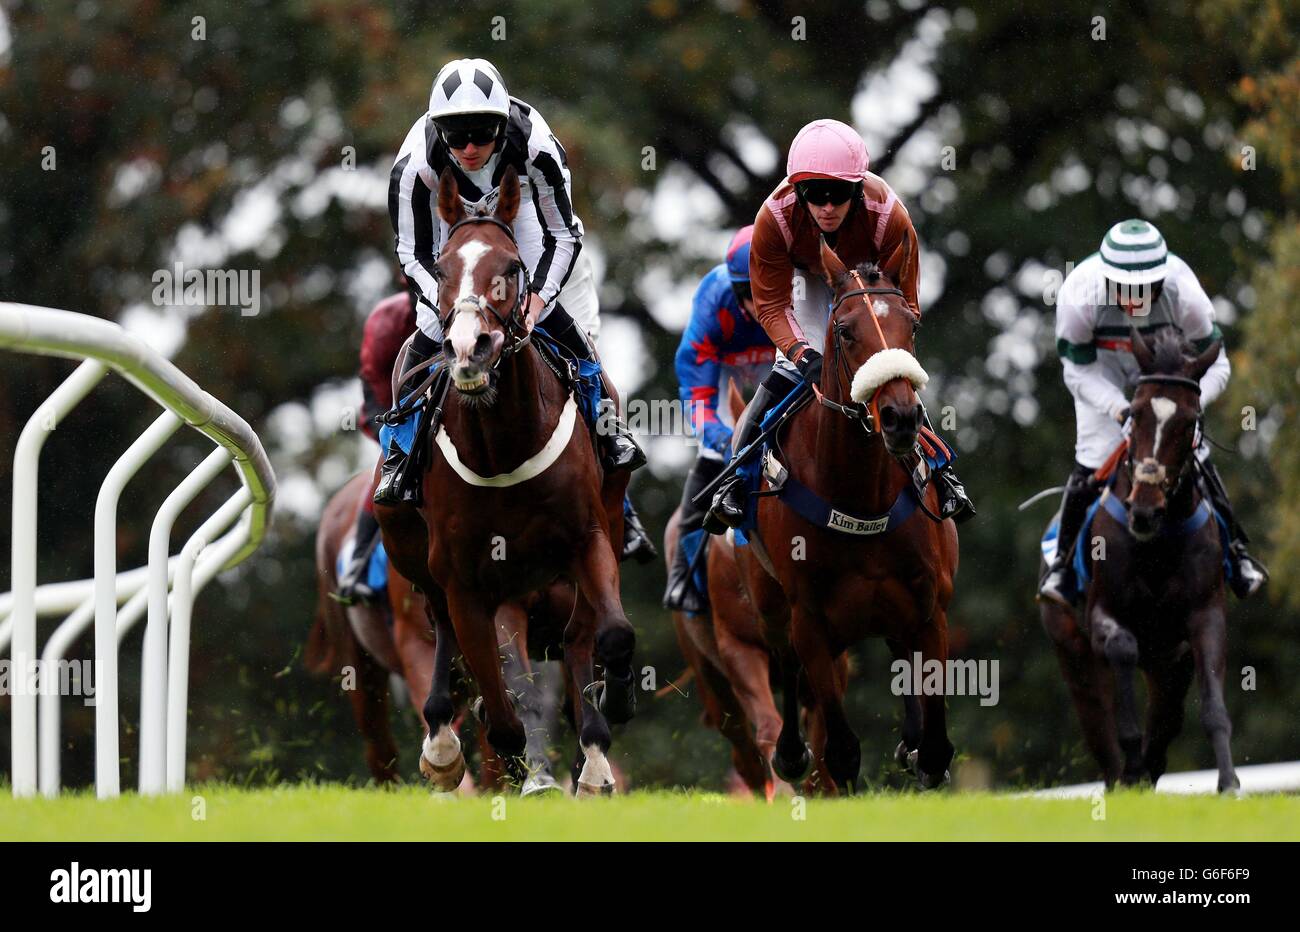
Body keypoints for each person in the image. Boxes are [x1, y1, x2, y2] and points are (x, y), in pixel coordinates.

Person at [378, 57, 654, 561]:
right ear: (437, 131)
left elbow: (562, 235)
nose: (467, 148)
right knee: (419, 350)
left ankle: (611, 447)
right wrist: (453, 310)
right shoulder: (414, 167)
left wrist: (536, 299)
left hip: (526, 222)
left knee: (579, 345)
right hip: (450, 230)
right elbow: (412, 254)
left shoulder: (538, 147)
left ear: (502, 126)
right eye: (455, 135)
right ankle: (400, 456)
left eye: (481, 133)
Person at [707, 118, 975, 529]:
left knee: (896, 377)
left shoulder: (889, 217)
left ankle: (942, 471)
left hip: (874, 285)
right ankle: (735, 481)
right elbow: (773, 305)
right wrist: (804, 356)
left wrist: (887, 352)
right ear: (797, 191)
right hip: (810, 280)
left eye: (840, 195)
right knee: (786, 371)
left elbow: (909, 304)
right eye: (815, 195)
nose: (827, 207)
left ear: (859, 187)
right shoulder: (773, 219)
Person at [1039, 218, 1268, 605]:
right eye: (1124, 290)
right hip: (1105, 373)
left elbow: (1219, 364)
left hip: (1168, 375)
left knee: (1196, 454)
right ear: (1106, 280)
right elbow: (1077, 369)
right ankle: (1061, 566)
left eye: (1145, 289)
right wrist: (1117, 407)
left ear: (1163, 280)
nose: (1134, 299)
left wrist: (1187, 412)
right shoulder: (1080, 293)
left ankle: (1237, 555)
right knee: (1094, 457)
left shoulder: (1185, 294)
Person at [663, 226, 775, 612]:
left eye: (763, 289)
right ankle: (683, 574)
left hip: (782, 359)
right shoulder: (715, 302)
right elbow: (698, 392)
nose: (756, 305)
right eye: (747, 294)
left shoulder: (799, 291)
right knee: (716, 455)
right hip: (726, 369)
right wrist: (716, 435)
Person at [335, 288, 417, 604]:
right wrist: (402, 431)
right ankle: (358, 561)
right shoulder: (387, 322)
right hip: (384, 407)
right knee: (392, 460)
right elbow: (376, 388)